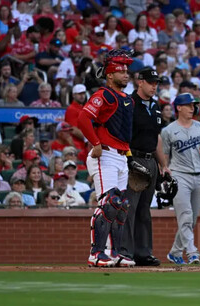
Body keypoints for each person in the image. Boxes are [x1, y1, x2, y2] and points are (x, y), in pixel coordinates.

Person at [77, 48, 136, 268]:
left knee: (121, 206)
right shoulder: (103, 94)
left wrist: (129, 155)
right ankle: (96, 253)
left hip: (120, 156)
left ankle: (115, 253)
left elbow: (123, 132)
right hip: (105, 155)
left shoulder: (126, 98)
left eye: (127, 70)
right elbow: (83, 118)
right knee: (108, 203)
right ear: (109, 74)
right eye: (121, 71)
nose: (126, 74)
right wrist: (95, 142)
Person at [162, 93, 200, 265]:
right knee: (186, 216)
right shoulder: (168, 131)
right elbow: (164, 157)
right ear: (179, 108)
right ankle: (192, 252)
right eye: (189, 105)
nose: (192, 108)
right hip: (178, 175)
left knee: (191, 219)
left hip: (199, 176)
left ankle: (175, 252)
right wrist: (164, 176)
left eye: (193, 105)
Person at [121, 68, 171, 267]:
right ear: (139, 81)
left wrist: (163, 165)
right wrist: (129, 159)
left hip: (150, 159)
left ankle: (143, 252)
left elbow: (156, 137)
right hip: (133, 157)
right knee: (130, 207)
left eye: (156, 83)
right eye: (150, 82)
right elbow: (122, 134)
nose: (154, 86)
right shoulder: (129, 103)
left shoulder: (156, 106)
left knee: (144, 210)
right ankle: (125, 252)